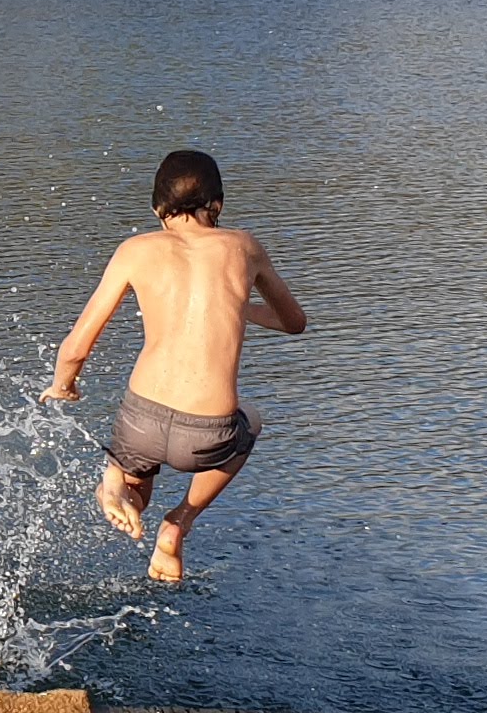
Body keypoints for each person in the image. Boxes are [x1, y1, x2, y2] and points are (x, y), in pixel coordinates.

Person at [44, 149, 308, 584]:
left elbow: (75, 347)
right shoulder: (243, 247)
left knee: (136, 486)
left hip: (140, 421)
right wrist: (236, 306)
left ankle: (115, 486)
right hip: (208, 432)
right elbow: (293, 322)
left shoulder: (135, 250)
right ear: (217, 205)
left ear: (156, 209)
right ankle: (178, 523)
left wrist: (63, 386)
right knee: (252, 422)